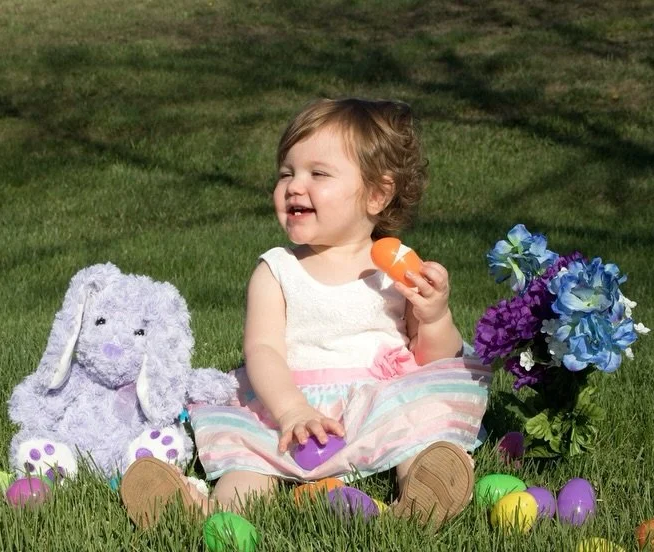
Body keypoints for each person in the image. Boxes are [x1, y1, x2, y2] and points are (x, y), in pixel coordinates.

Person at [120, 98, 491, 530]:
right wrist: (291, 410)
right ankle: (203, 512)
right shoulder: (277, 270)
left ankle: (420, 496)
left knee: (419, 429)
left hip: (379, 402)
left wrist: (433, 316)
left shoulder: (395, 267)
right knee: (250, 463)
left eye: (318, 174)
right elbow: (262, 350)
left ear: (376, 194)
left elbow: (435, 357)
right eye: (286, 174)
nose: (295, 186)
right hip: (291, 406)